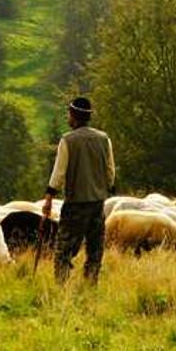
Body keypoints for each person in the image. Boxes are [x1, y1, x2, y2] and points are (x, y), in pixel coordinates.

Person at [42, 97, 115, 284]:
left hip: (75, 204)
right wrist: (105, 188)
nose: (68, 117)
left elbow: (59, 173)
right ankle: (90, 285)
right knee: (95, 250)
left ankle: (62, 288)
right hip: (97, 203)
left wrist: (49, 196)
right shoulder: (103, 139)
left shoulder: (68, 140)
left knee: (64, 250)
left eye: (69, 113)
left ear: (74, 116)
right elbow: (110, 171)